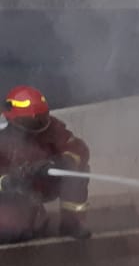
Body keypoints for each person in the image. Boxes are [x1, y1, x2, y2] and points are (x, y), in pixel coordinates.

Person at [0, 85, 92, 242]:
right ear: (11, 118)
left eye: (41, 119)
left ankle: (72, 223)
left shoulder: (51, 128)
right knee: (12, 234)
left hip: (43, 183)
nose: (37, 125)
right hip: (13, 193)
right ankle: (30, 221)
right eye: (29, 121)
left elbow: (77, 148)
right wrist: (10, 181)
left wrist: (62, 162)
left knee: (77, 171)